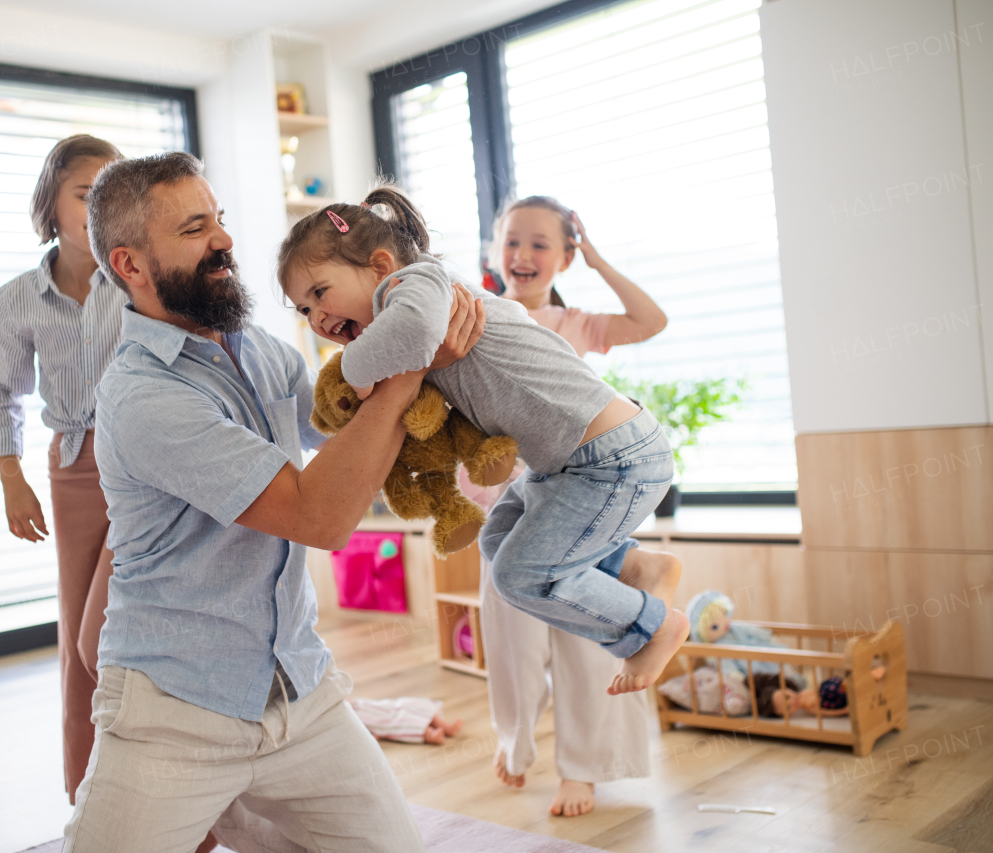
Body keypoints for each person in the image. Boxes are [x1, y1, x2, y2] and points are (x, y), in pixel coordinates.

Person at [62, 152, 485, 853]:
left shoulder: (254, 349)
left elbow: (343, 416)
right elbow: (317, 515)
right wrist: (411, 361)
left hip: (299, 695)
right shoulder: (142, 395)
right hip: (177, 713)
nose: (224, 239)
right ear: (130, 265)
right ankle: (218, 802)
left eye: (219, 219)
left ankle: (234, 809)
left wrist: (412, 315)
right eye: (196, 228)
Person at [278, 187, 687, 696]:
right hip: (569, 463)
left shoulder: (413, 284)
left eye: (320, 293)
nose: (316, 318)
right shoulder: (404, 301)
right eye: (303, 310)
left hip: (611, 458)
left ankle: (652, 625)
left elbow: (414, 333)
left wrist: (355, 368)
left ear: (380, 265)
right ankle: (636, 564)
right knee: (498, 542)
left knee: (520, 576)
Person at [472, 195, 678, 816]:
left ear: (564, 255)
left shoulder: (577, 325)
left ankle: (584, 769)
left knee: (584, 638)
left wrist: (596, 259)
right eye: (512, 241)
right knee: (508, 637)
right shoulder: (475, 318)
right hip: (500, 507)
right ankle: (515, 742)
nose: (523, 255)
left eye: (540, 244)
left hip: (572, 494)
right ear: (494, 251)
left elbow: (651, 320)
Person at [0, 134, 125, 805]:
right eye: (84, 192)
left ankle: (171, 787)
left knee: (111, 634)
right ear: (53, 202)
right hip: (71, 471)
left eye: (111, 191)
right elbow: (4, 392)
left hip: (147, 464)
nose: (98, 204)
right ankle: (89, 798)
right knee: (78, 644)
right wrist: (12, 477)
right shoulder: (18, 298)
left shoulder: (137, 279)